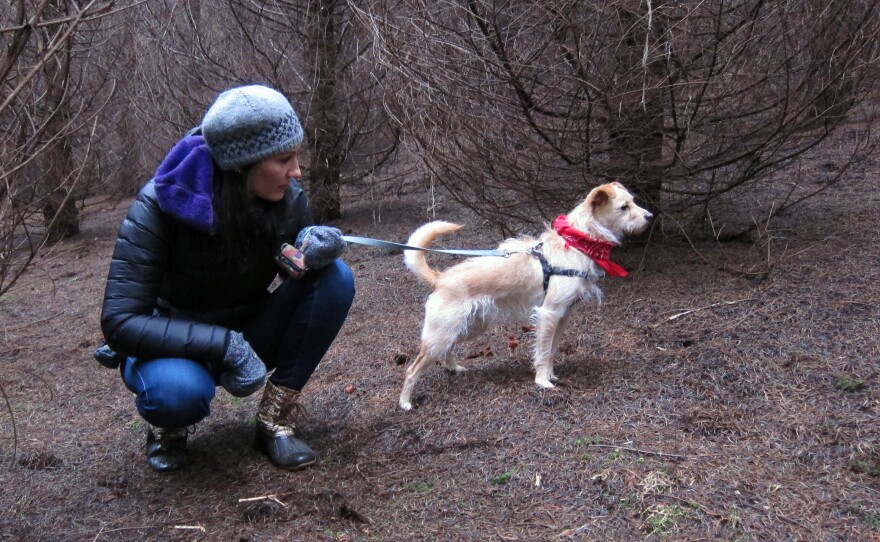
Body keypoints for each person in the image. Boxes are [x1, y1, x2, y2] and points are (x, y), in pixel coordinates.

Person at [97, 84, 355, 473]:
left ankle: (274, 419)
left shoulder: (288, 198)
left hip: (248, 328)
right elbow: (120, 321)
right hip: (172, 343)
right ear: (241, 164)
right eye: (284, 159)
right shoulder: (158, 205)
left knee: (335, 277)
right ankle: (168, 428)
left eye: (296, 156)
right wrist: (225, 345)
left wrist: (312, 251)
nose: (296, 171)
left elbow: (293, 265)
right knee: (177, 394)